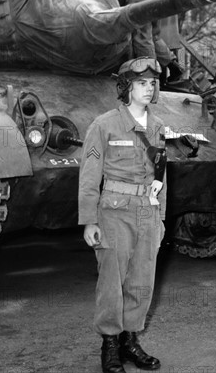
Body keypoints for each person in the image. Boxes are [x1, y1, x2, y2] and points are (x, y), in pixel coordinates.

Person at [79, 57, 166, 372]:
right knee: (112, 282)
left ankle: (130, 341)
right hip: (114, 212)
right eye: (142, 83)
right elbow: (90, 176)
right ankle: (110, 345)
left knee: (142, 280)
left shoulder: (156, 126)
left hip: (148, 212)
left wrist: (162, 219)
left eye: (152, 83)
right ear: (127, 86)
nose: (149, 88)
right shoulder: (104, 124)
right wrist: (89, 220)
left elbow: (160, 175)